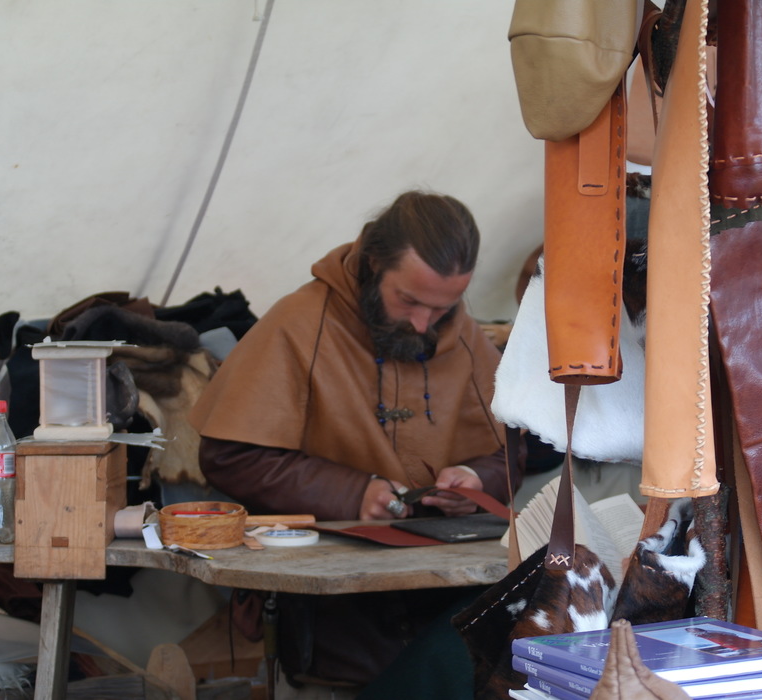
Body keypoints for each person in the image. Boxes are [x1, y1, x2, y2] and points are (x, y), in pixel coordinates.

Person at [188, 190, 521, 693]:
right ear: (373, 264)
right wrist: (351, 492)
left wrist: (476, 480)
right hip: (337, 625)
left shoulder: (465, 336)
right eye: (408, 300)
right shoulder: (299, 323)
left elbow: (510, 449)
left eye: (444, 307)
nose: (424, 324)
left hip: (447, 614)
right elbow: (230, 455)